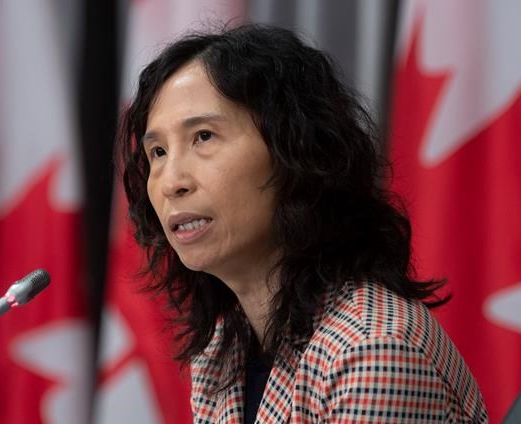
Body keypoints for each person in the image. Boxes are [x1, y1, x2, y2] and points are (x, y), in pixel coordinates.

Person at [120, 24, 488, 423]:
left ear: (294, 152)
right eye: (158, 152)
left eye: (204, 137)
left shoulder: (370, 348)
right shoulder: (222, 353)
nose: (171, 182)